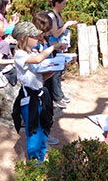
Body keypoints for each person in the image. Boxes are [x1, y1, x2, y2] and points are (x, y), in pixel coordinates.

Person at [11, 22, 65, 162]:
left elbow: (41, 77)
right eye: (34, 36)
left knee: (42, 130)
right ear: (23, 38)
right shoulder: (20, 55)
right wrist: (53, 46)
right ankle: (34, 165)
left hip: (40, 94)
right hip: (29, 99)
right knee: (34, 132)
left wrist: (58, 67)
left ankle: (41, 160)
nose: (37, 38)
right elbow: (38, 60)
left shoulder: (33, 52)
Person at [32, 11, 68, 145]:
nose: (48, 33)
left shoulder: (45, 40)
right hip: (38, 81)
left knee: (48, 110)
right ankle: (40, 138)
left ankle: (45, 134)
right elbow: (37, 61)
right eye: (46, 31)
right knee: (40, 110)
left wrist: (59, 63)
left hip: (47, 77)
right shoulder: (33, 44)